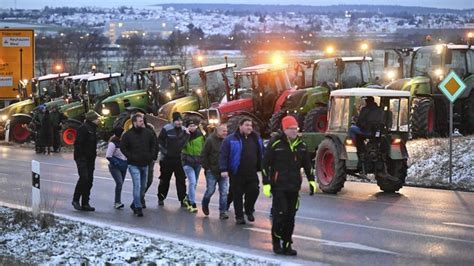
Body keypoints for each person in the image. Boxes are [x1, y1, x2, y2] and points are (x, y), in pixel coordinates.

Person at [262, 116, 316, 256]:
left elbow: (307, 165)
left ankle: (287, 244)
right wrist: (266, 183)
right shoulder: (276, 144)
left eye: (295, 128)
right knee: (281, 214)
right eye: (290, 129)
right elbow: (265, 164)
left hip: (293, 187)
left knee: (290, 217)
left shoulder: (301, 146)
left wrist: (311, 180)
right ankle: (276, 242)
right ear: (284, 129)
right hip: (279, 186)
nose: (294, 131)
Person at [220, 117, 264, 225]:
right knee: (237, 194)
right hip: (237, 172)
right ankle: (239, 216)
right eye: (247, 125)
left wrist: (264, 166)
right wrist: (224, 169)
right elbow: (224, 155)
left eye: (251, 125)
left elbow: (262, 152)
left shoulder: (256, 138)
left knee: (254, 191)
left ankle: (248, 210)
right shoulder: (230, 139)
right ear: (240, 126)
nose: (250, 127)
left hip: (252, 172)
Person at [121, 114, 156, 217]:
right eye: (140, 121)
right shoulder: (128, 135)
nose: (142, 123)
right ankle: (138, 207)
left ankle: (135, 203)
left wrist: (151, 156)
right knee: (137, 185)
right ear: (134, 122)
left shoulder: (148, 133)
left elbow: (153, 144)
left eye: (142, 121)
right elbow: (123, 147)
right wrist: (130, 156)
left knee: (143, 186)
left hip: (145, 164)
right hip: (133, 165)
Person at [157, 112, 190, 207]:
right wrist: (165, 152)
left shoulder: (184, 130)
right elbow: (160, 141)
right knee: (164, 179)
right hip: (166, 159)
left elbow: (184, 143)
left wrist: (187, 135)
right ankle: (161, 197)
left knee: (181, 180)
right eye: (177, 120)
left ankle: (183, 199)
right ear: (173, 120)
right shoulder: (166, 129)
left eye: (180, 120)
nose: (179, 123)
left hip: (178, 159)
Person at [72, 110, 99, 212]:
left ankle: (85, 203)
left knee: (89, 181)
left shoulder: (93, 129)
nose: (99, 120)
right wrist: (80, 157)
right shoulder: (84, 128)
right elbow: (78, 144)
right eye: (97, 119)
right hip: (82, 158)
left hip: (90, 159)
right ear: (92, 119)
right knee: (84, 178)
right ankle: (75, 200)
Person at [201, 124, 229, 219]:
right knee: (210, 190)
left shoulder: (227, 141)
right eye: (223, 131)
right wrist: (207, 168)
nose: (225, 133)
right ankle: (205, 203)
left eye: (226, 131)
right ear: (218, 131)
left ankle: (222, 212)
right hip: (212, 171)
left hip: (223, 171)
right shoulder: (210, 140)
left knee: (224, 192)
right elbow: (204, 155)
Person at [181, 119, 205, 213]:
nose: (192, 127)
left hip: (198, 163)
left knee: (194, 184)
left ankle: (187, 198)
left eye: (193, 126)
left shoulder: (201, 136)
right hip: (187, 163)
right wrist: (186, 135)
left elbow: (205, 146)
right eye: (190, 126)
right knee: (192, 182)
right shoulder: (184, 135)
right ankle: (192, 203)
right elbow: (181, 146)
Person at [136, 112, 159, 209]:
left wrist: (154, 156)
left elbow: (155, 143)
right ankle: (139, 199)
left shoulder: (150, 128)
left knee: (149, 181)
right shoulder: (135, 130)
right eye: (139, 119)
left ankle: (141, 196)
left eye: (142, 119)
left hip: (150, 160)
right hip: (139, 160)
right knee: (141, 181)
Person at [106, 127, 128, 209]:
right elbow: (108, 155)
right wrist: (116, 162)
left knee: (121, 183)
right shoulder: (113, 143)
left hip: (124, 165)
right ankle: (117, 202)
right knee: (119, 182)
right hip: (115, 167)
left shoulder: (124, 142)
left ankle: (118, 201)